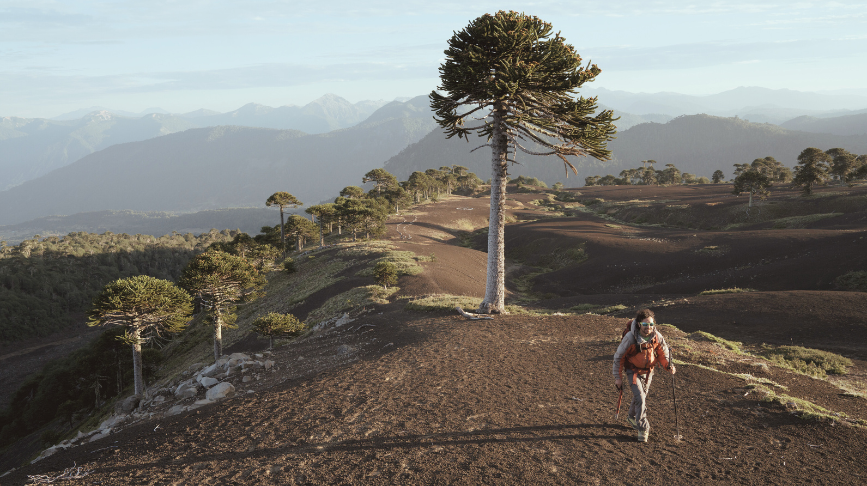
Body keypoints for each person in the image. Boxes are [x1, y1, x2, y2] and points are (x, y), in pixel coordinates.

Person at [612, 309, 676, 442]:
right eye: (645, 324)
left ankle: (631, 417)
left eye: (651, 325)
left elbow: (663, 353)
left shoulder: (657, 336)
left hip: (648, 372)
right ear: (639, 324)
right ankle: (643, 428)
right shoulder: (630, 338)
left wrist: (668, 366)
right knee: (641, 397)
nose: (649, 328)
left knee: (640, 397)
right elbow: (618, 357)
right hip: (633, 372)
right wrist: (618, 378)